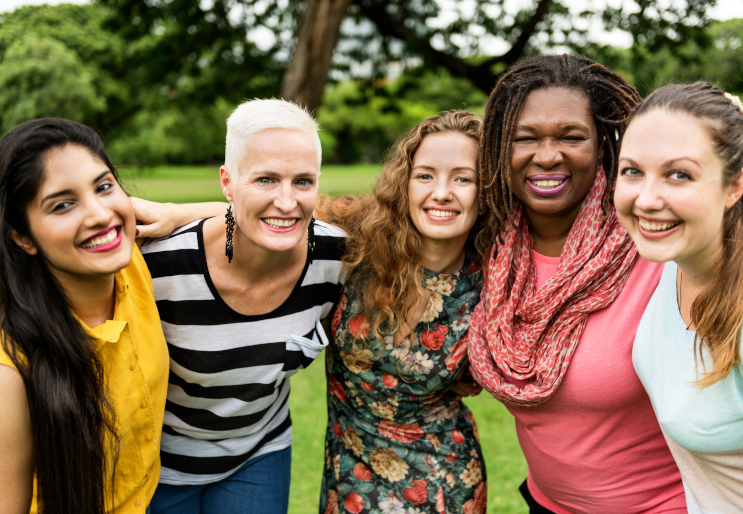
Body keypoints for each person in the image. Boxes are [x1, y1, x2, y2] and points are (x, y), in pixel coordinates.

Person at [467, 54, 687, 513]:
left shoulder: (656, 247)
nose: (547, 156)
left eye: (571, 137)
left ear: (605, 143)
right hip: (548, 504)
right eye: (525, 138)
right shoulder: (488, 246)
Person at [139, 99, 348, 514]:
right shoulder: (159, 267)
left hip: (260, 454)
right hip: (160, 467)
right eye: (266, 179)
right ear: (227, 182)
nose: (287, 201)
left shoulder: (336, 259)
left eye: (303, 182)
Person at [316, 110, 488, 514]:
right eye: (425, 175)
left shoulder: (493, 279)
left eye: (463, 178)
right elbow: (272, 215)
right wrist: (172, 213)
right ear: (404, 184)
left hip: (444, 474)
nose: (441, 192)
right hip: (349, 472)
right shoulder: (360, 235)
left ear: (487, 192)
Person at [0, 118, 170, 513]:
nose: (99, 214)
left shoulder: (129, 260)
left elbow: (245, 218)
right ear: (22, 236)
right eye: (62, 205)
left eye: (104, 186)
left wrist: (175, 214)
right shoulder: (11, 371)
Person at [615, 82, 743, 514]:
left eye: (679, 174)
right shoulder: (672, 261)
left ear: (734, 186)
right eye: (632, 170)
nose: (647, 200)